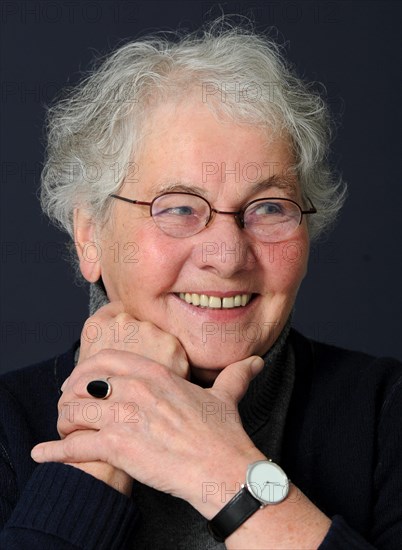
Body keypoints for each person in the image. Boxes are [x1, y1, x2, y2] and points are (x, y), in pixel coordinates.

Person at [0, 18, 401, 549]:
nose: (228, 255)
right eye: (180, 208)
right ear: (90, 235)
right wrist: (98, 445)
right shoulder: (7, 427)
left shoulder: (386, 412)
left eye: (270, 208)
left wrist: (219, 466)